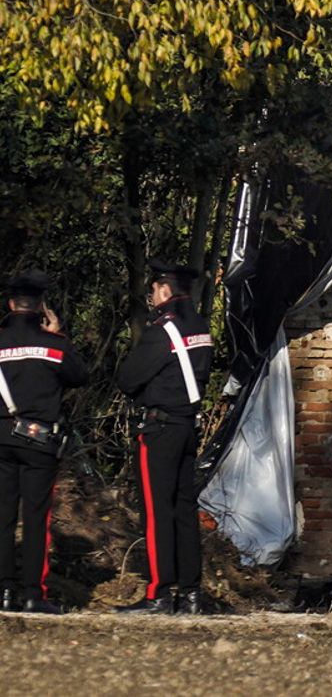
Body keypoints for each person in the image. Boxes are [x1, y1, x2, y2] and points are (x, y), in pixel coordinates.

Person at [114, 260, 214, 615]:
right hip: (189, 428)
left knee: (158, 513)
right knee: (185, 511)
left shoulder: (162, 331)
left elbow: (127, 379)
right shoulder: (199, 326)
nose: (152, 295)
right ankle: (190, 594)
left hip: (160, 430)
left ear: (165, 291)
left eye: (154, 289)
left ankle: (158, 593)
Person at [0, 269, 87, 614]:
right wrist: (59, 334)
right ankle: (34, 594)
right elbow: (81, 376)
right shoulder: (55, 345)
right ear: (41, 307)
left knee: (3, 517)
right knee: (37, 519)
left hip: (1, 437)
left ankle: (4, 592)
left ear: (10, 304)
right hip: (39, 441)